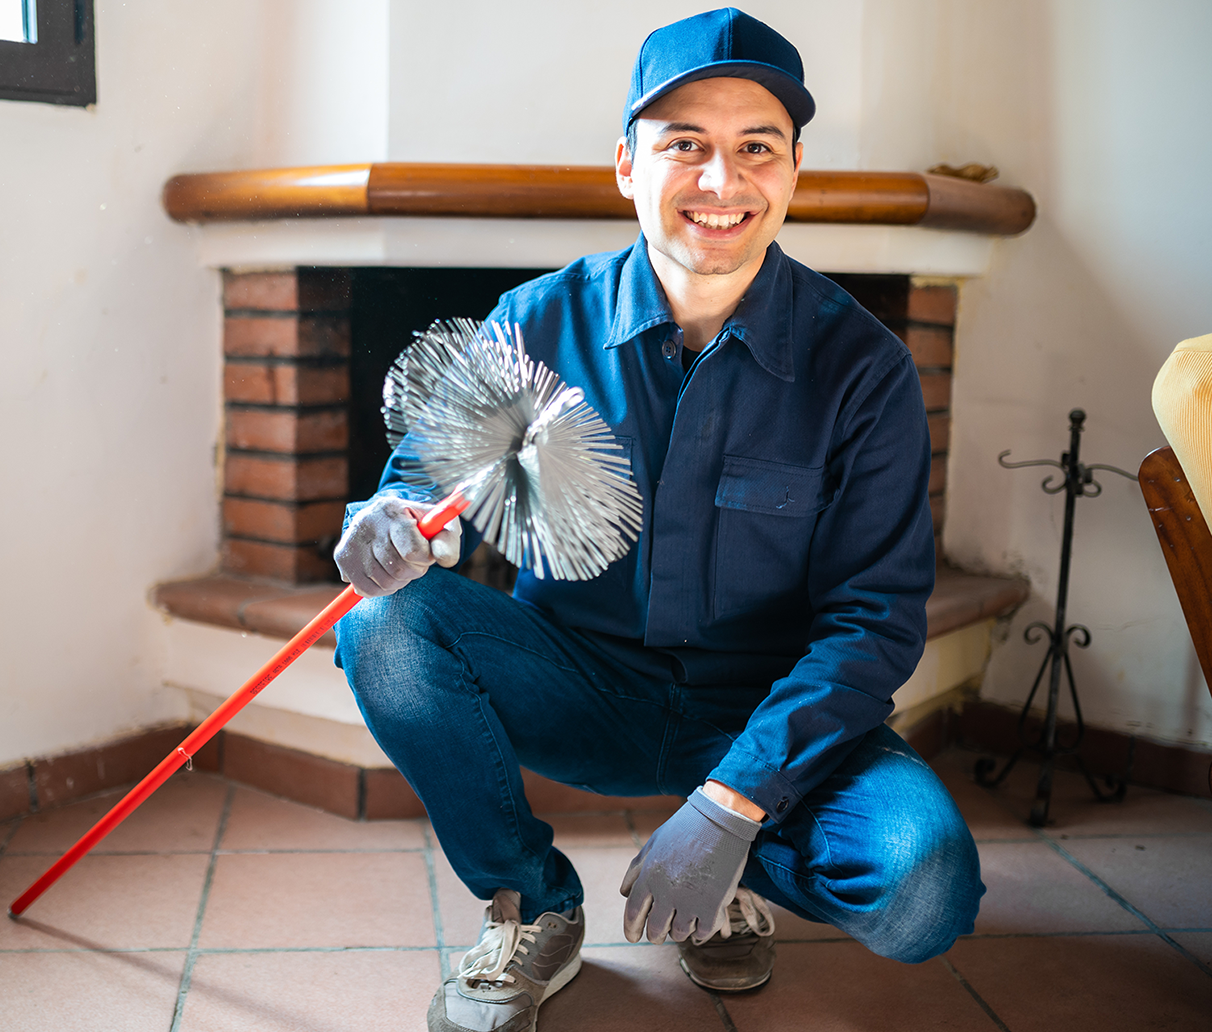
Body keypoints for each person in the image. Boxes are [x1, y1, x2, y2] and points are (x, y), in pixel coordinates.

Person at [333, 9, 984, 1031]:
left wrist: (733, 806)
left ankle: (731, 875)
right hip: (583, 685)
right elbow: (420, 486)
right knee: (382, 627)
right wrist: (388, 518)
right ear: (628, 166)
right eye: (685, 146)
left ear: (794, 172)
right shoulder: (535, 323)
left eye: (754, 149)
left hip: (769, 712)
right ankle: (532, 903)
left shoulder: (865, 370)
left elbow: (875, 625)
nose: (721, 184)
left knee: (923, 890)